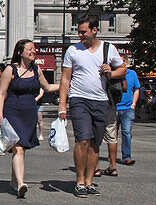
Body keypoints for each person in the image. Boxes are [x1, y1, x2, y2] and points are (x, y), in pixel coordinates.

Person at [58, 15, 126, 199]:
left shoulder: (108, 48)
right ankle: (79, 181)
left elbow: (123, 69)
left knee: (96, 143)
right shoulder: (73, 50)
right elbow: (65, 79)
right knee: (83, 140)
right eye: (78, 31)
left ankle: (89, 181)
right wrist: (62, 105)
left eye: (83, 32)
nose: (80, 35)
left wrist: (111, 73)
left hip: (101, 100)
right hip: (79, 99)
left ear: (95, 30)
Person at [0, 39, 60, 198]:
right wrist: (0, 115)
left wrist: (66, 83)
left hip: (29, 113)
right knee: (19, 148)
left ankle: (13, 181)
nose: (33, 51)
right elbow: (1, 94)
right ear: (20, 52)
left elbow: (48, 87)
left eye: (34, 49)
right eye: (29, 49)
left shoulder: (36, 70)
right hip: (12, 112)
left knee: (20, 148)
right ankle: (21, 183)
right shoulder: (10, 70)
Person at [112, 61, 140, 167]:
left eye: (122, 61)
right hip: (115, 107)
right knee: (112, 134)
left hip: (128, 108)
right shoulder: (113, 73)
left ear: (126, 62)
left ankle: (127, 157)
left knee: (126, 132)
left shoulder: (131, 73)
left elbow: (136, 89)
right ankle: (112, 156)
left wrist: (133, 104)